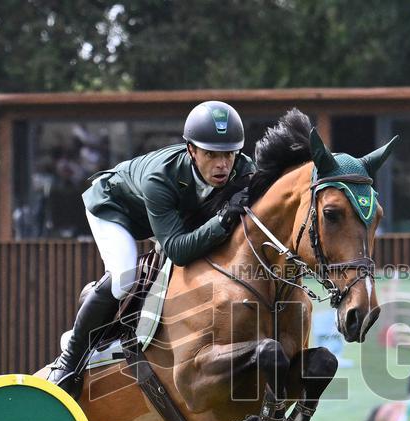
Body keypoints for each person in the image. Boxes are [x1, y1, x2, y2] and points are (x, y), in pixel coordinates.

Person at [46, 100, 256, 396]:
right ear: (191, 150)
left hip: (161, 220)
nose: (222, 165)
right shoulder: (161, 177)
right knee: (124, 276)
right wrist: (223, 219)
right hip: (113, 208)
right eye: (211, 154)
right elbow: (177, 251)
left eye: (229, 154)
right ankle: (69, 360)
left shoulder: (244, 170)